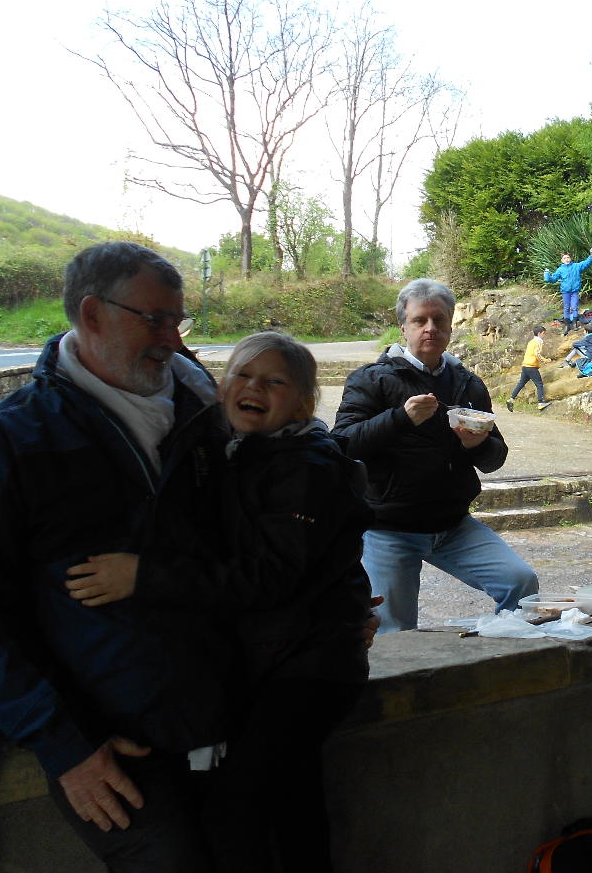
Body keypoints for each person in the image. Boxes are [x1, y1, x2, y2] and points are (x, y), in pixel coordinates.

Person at [0, 242, 234, 871]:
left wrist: (336, 607)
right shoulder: (12, 437)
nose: (173, 339)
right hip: (110, 742)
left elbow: (258, 537)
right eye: (155, 319)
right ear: (93, 314)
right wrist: (64, 745)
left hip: (226, 715)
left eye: (178, 319)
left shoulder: (206, 411)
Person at [63, 331, 375, 873]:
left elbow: (268, 576)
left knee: (236, 809)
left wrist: (144, 577)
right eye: (243, 376)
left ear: (303, 404)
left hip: (309, 665)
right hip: (282, 655)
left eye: (274, 382)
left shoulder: (306, 466)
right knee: (292, 802)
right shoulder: (245, 451)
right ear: (222, 389)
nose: (254, 388)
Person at [333, 278, 539, 633]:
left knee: (520, 584)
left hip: (452, 524)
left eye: (439, 320)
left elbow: (495, 457)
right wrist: (400, 418)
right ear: (404, 327)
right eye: (420, 320)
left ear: (450, 326)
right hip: (389, 528)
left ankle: (501, 658)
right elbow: (343, 445)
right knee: (394, 633)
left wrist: (477, 445)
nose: (430, 328)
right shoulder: (372, 379)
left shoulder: (468, 383)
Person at [544, 247, 592, 332]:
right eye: (564, 258)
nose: (567, 259)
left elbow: (585, 263)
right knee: (566, 308)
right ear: (562, 260)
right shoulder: (560, 269)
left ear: (570, 258)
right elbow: (553, 279)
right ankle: (567, 325)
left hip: (574, 291)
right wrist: (547, 276)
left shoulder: (576, 266)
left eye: (568, 257)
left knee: (574, 307)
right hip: (565, 292)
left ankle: (574, 324)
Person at [507, 325, 551, 411]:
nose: (544, 335)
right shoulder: (539, 341)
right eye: (543, 333)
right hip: (532, 367)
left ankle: (511, 399)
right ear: (539, 333)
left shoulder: (531, 341)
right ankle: (541, 402)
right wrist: (545, 360)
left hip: (525, 366)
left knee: (521, 383)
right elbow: (537, 354)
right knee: (539, 384)